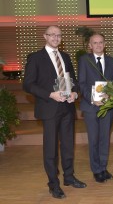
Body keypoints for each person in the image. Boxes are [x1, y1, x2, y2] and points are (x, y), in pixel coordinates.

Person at [23, 26, 86, 199]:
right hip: (49, 108)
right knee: (51, 149)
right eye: (52, 35)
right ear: (45, 36)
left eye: (58, 35)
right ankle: (53, 184)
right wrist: (50, 94)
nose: (56, 38)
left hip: (67, 107)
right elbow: (28, 84)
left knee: (68, 145)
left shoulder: (65, 57)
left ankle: (69, 177)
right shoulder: (35, 58)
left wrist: (74, 92)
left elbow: (72, 81)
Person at [78, 33, 113, 183]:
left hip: (107, 106)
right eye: (95, 43)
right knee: (94, 139)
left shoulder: (112, 61)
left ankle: (103, 167)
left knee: (104, 139)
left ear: (105, 43)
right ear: (90, 45)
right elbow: (81, 83)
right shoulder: (84, 60)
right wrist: (92, 99)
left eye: (101, 42)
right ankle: (96, 169)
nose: (98, 45)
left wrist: (111, 95)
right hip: (90, 107)